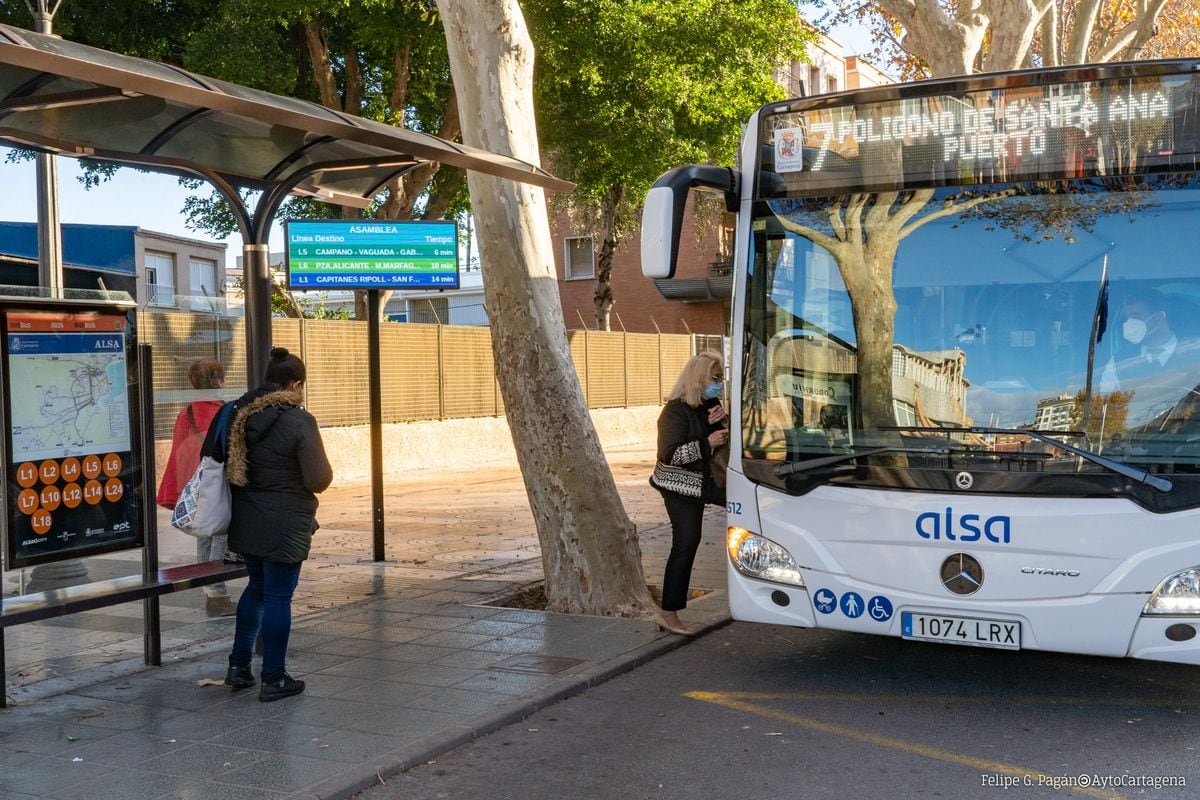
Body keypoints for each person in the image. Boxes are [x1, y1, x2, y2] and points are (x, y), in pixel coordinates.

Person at [223, 347, 333, 702]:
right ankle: (274, 676)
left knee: (256, 588)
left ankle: (239, 667)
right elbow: (318, 478)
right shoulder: (300, 420)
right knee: (278, 597)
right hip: (286, 522)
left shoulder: (240, 413)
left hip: (247, 517)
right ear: (296, 384)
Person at [650, 350, 728, 636]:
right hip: (679, 486)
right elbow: (669, 455)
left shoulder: (709, 403)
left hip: (707, 481)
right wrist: (707, 442)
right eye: (715, 377)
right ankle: (668, 613)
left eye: (720, 378)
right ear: (698, 378)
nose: (719, 383)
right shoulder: (674, 411)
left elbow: (724, 441)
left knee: (750, 507)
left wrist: (725, 421)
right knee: (686, 542)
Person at [156, 357, 236, 618]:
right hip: (221, 482)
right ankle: (216, 593)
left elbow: (178, 454)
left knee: (204, 533)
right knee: (220, 534)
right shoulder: (225, 412)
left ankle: (209, 590)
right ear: (219, 381)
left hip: (196, 483)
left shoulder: (185, 413)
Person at [1100, 289, 1200, 430]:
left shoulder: (1195, 353)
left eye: (1136, 316)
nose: (1129, 323)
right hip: (1133, 442)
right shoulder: (1118, 362)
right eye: (1127, 318)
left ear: (1159, 318)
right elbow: (1105, 408)